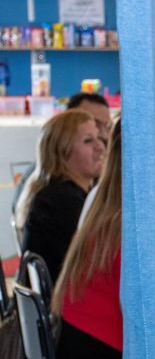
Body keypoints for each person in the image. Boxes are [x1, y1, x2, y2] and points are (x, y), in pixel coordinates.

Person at [52, 119, 122, 358]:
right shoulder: (133, 220)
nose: (98, 147)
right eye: (87, 140)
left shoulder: (99, 200)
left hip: (76, 334)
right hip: (99, 341)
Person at [20, 109, 105, 281]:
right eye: (88, 141)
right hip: (65, 302)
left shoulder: (55, 193)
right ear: (62, 153)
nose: (100, 146)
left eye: (99, 138)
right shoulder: (62, 200)